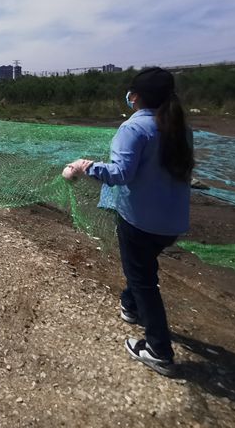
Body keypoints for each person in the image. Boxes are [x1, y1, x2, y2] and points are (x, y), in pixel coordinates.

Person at [64, 67, 194, 377]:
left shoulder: (134, 128)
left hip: (140, 221)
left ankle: (159, 351)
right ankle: (130, 305)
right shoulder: (181, 128)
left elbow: (121, 173)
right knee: (142, 269)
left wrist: (86, 166)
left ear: (134, 96)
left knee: (144, 280)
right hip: (172, 222)